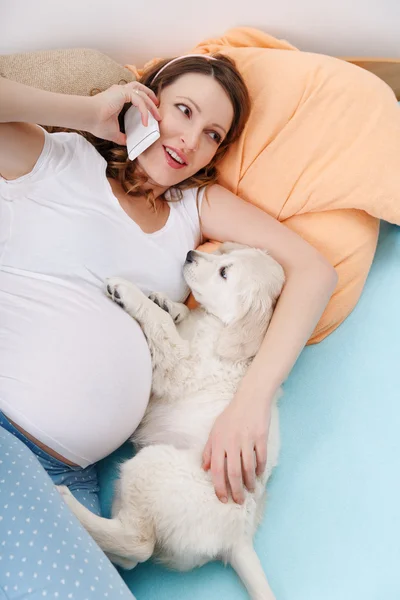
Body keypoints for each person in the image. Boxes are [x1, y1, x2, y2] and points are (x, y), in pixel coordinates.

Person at [0, 54, 337, 598]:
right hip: (8, 439)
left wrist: (250, 401)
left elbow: (315, 271)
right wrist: (86, 114)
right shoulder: (54, 158)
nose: (190, 141)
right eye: (182, 110)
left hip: (73, 479)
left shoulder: (193, 207)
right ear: (143, 100)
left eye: (212, 134)